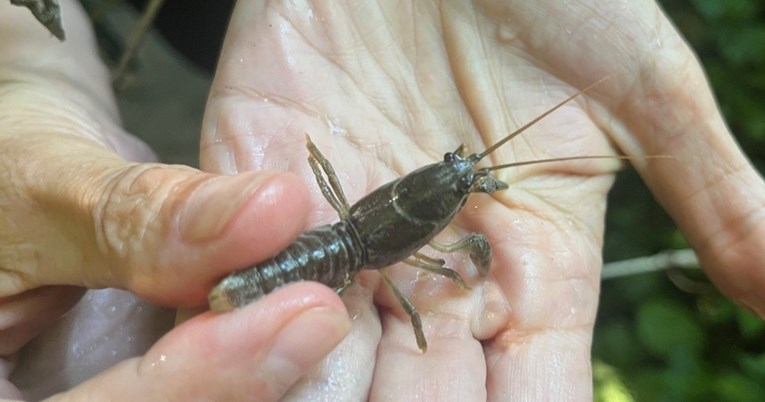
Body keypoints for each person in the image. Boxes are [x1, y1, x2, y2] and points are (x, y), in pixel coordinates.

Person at [2, 0, 763, 400]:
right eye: (456, 174)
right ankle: (241, 293)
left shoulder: (413, 195)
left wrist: (32, 77)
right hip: (338, 254)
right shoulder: (437, 228)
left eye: (460, 178)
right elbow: (459, 242)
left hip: (332, 245)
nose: (462, 176)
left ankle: (240, 289)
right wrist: (471, 256)